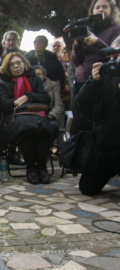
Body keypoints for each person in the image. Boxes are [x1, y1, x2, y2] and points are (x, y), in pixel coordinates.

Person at [0, 52, 55, 185]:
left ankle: (42, 168)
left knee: (42, 128)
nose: (16, 66)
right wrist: (20, 103)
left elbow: (46, 98)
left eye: (19, 62)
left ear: (24, 63)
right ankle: (31, 169)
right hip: (15, 118)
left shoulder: (34, 78)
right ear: (7, 67)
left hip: (37, 115)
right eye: (12, 64)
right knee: (26, 129)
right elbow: (4, 104)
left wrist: (27, 97)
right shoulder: (2, 83)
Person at [74, 37, 120, 195]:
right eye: (113, 56)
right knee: (88, 188)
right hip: (107, 144)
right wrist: (93, 81)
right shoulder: (106, 73)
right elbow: (82, 107)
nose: (116, 59)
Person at [72, 0, 120, 97]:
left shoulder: (116, 28)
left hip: (104, 81)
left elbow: (115, 54)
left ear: (112, 10)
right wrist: (77, 43)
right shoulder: (86, 30)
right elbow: (76, 61)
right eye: (97, 7)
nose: (100, 9)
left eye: (105, 7)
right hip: (82, 82)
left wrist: (96, 42)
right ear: (92, 11)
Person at [34, 65, 65, 152]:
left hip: (49, 116)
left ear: (43, 76)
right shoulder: (29, 85)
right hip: (33, 116)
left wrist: (51, 116)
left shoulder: (53, 85)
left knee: (53, 126)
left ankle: (45, 149)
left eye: (39, 74)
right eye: (34, 74)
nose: (37, 77)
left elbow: (59, 105)